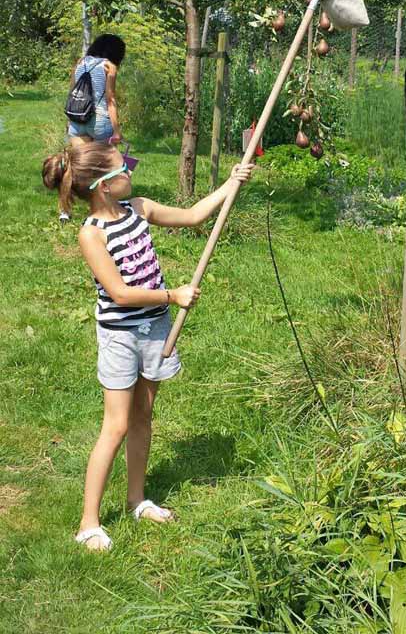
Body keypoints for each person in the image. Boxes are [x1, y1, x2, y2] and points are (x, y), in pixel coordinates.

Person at [42, 140, 255, 552]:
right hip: (122, 336)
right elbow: (120, 294)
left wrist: (230, 184)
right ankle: (89, 522)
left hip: (155, 330)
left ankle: (137, 500)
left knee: (143, 416)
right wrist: (171, 296)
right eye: (126, 168)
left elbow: (193, 217)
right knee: (117, 425)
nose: (132, 172)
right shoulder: (92, 234)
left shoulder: (138, 208)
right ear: (104, 186)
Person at [67, 33, 126, 148]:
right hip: (99, 123)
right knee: (104, 164)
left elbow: (72, 94)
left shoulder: (80, 62)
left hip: (77, 122)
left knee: (83, 164)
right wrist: (116, 130)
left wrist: (69, 121)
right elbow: (110, 100)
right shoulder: (109, 67)